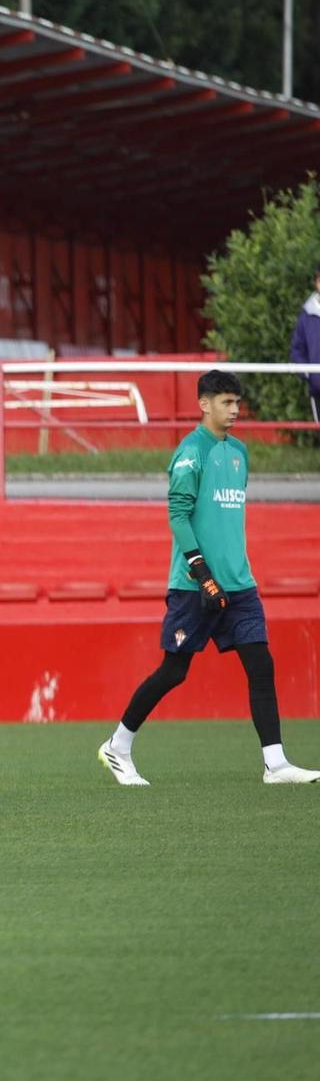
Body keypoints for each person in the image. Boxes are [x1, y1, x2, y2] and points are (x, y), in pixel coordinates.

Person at [99, 370, 319, 786]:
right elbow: (178, 516)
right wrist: (202, 574)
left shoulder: (239, 452)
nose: (234, 410)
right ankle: (118, 746)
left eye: (237, 402)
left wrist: (229, 575)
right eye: (226, 402)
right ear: (204, 404)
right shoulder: (189, 452)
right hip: (193, 586)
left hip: (240, 584)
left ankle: (276, 763)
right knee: (174, 671)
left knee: (260, 663)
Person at [293, 268, 320, 424]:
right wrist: (309, 374)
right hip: (317, 387)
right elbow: (297, 349)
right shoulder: (306, 316)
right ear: (317, 283)